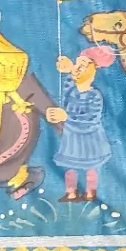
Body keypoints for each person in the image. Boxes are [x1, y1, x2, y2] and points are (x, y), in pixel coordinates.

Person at [46, 46, 116, 203]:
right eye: (77, 63)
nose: (77, 68)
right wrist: (68, 68)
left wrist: (66, 117)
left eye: (82, 65)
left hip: (90, 138)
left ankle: (90, 193)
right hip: (72, 137)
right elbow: (69, 83)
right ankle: (70, 193)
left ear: (94, 69)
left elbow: (90, 119)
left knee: (90, 166)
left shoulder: (94, 96)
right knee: (69, 165)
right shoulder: (71, 89)